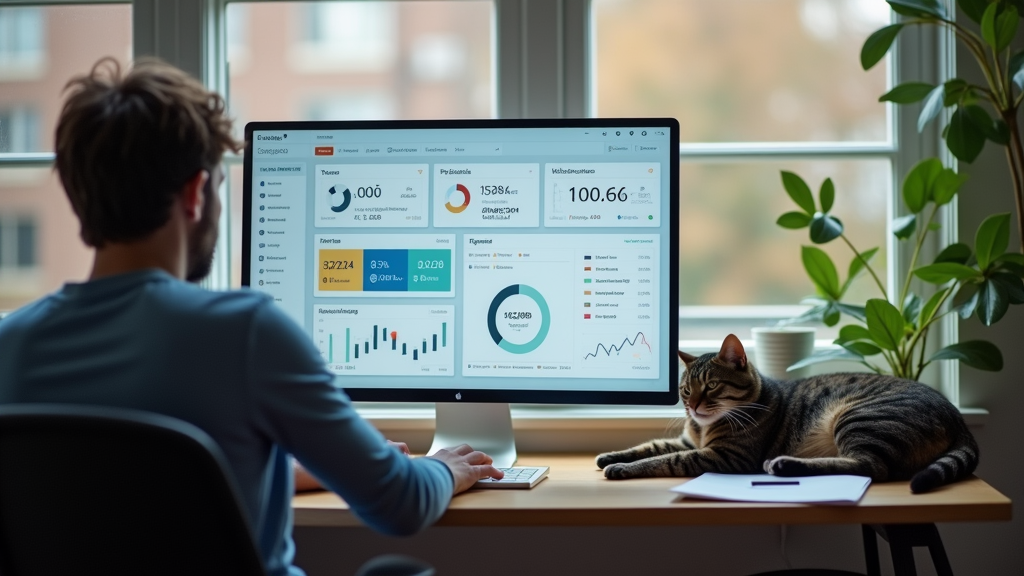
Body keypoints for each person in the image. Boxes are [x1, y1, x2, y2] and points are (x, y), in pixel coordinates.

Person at [0, 57, 502, 576]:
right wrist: (442, 469)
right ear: (196, 193)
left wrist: (288, 471)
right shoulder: (244, 333)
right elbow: (399, 504)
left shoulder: (8, 347)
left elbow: (115, 485)